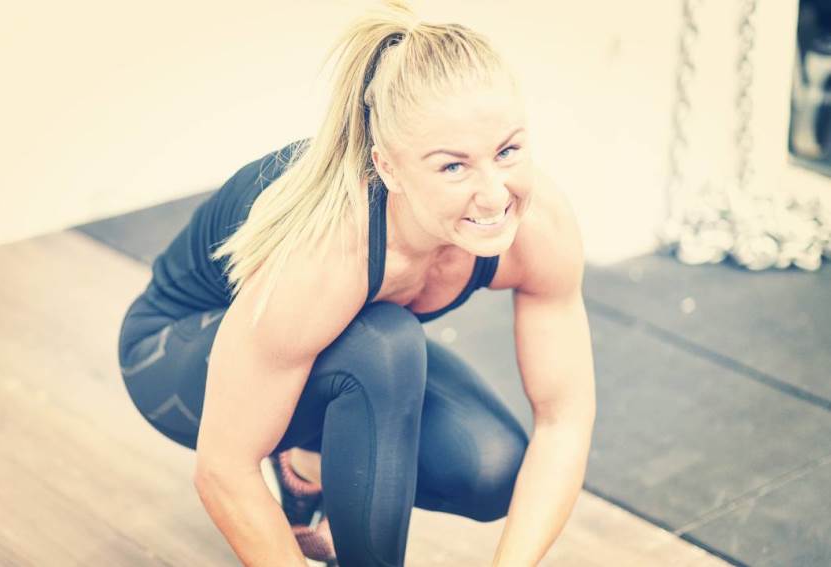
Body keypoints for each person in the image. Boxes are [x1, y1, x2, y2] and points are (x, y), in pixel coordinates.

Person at [116, 1, 596, 566]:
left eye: (508, 151)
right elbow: (223, 469)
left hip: (312, 349)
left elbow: (564, 421)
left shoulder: (539, 227)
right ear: (387, 167)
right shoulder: (326, 252)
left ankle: (308, 466)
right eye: (453, 167)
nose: (494, 195)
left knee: (489, 467)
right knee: (385, 345)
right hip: (175, 354)